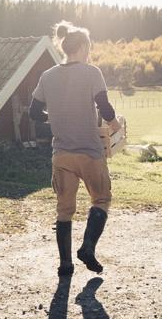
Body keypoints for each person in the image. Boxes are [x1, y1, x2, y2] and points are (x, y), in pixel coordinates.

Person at [29, 21, 120, 276]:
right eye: (88, 48)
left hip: (62, 155)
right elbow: (104, 106)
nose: (88, 53)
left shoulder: (47, 76)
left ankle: (65, 265)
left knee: (64, 209)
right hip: (90, 151)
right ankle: (87, 248)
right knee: (101, 199)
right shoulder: (92, 73)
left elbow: (34, 113)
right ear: (81, 47)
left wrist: (55, 115)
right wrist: (116, 126)